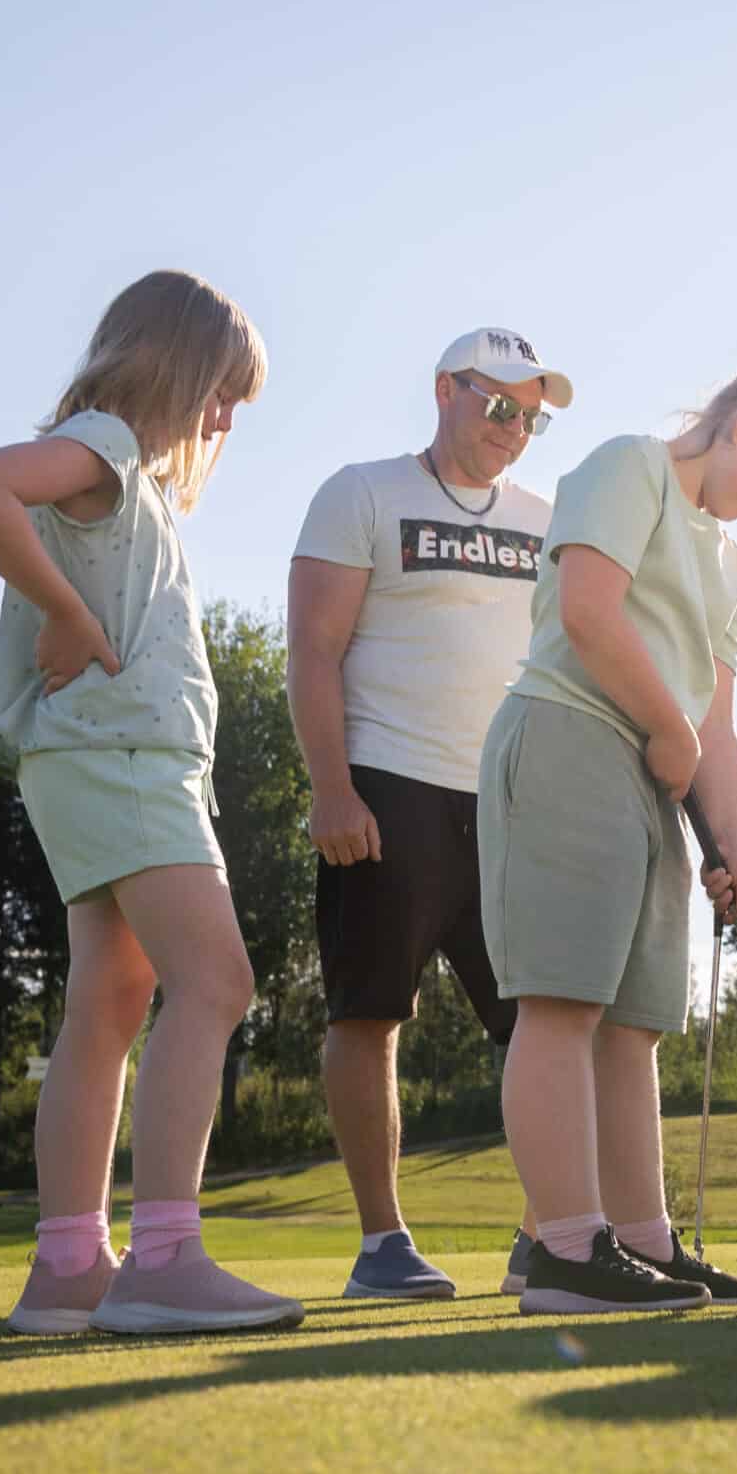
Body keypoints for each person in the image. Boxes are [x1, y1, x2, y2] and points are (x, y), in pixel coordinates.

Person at [0, 269, 302, 1336]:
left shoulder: (122, 473)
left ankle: (69, 1267)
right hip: (122, 756)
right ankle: (164, 1256)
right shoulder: (100, 442)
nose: (225, 417)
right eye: (221, 390)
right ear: (175, 364)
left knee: (109, 998)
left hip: (101, 759)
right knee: (218, 980)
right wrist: (63, 609)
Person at [482, 344, 737, 1314]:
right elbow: (589, 610)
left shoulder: (732, 565)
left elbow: (716, 723)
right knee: (562, 1001)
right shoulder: (625, 466)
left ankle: (641, 1240)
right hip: (570, 732)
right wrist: (665, 727)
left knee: (636, 1022)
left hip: (655, 775)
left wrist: (733, 843)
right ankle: (564, 1248)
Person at [287, 326, 574, 1301]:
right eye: (500, 405)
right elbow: (313, 651)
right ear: (445, 389)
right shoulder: (360, 492)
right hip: (385, 786)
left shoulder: (547, 518)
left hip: (512, 800)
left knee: (549, 1017)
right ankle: (382, 1245)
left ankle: (546, 1236)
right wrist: (330, 788)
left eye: (531, 416)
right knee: (369, 1011)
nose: (515, 428)